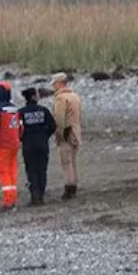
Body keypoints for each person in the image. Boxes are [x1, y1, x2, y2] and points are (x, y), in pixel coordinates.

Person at [18, 88, 57, 206]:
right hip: (42, 144)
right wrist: (45, 135)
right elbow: (53, 126)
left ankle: (34, 196)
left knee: (31, 170)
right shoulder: (43, 110)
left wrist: (23, 138)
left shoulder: (21, 112)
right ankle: (41, 195)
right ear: (34, 97)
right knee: (42, 170)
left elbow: (17, 129)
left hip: (28, 145)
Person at [0, 82, 21, 211]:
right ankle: (12, 198)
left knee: (3, 172)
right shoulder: (14, 108)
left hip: (1, 146)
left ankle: (8, 201)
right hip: (14, 144)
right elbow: (20, 127)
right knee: (12, 171)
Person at [51, 72, 83, 200]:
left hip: (66, 133)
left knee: (66, 162)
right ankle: (74, 184)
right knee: (73, 161)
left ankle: (69, 188)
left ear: (59, 83)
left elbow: (59, 118)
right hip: (76, 132)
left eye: (54, 84)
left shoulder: (60, 98)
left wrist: (59, 134)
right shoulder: (75, 96)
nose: (53, 87)